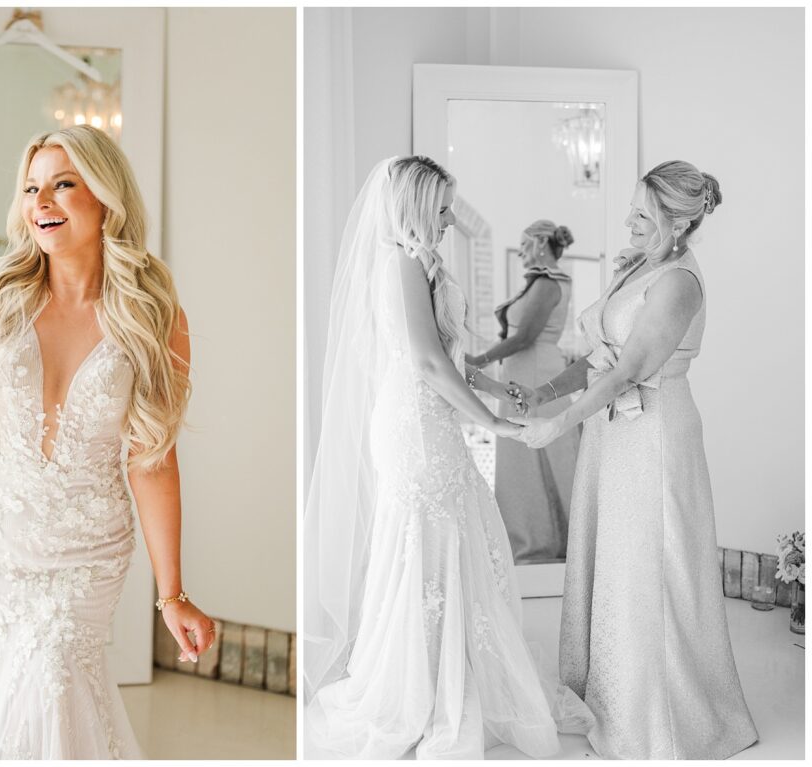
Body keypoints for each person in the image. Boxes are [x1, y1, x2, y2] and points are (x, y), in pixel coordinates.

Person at [0, 125, 215, 759]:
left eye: (62, 184)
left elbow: (153, 461)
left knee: (56, 683)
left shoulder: (155, 317)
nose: (40, 201)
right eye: (31, 188)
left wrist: (173, 593)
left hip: (84, 554)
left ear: (106, 197)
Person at [304, 156, 593, 759]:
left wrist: (496, 390)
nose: (447, 221)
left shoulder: (424, 264)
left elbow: (450, 354)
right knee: (425, 541)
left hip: (431, 414)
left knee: (451, 537)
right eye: (439, 210)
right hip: (413, 420)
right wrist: (485, 419)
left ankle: (454, 672)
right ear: (412, 207)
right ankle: (419, 688)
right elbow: (427, 363)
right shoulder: (401, 263)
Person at [509, 161, 758, 759]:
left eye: (643, 215)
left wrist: (560, 423)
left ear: (680, 222)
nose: (629, 222)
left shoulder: (678, 283)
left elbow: (627, 371)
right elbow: (600, 354)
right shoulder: (642, 267)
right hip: (613, 431)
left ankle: (658, 718)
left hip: (655, 435)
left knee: (650, 565)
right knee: (612, 560)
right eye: (632, 209)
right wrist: (542, 394)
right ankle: (606, 695)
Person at [468, 220, 578, 563]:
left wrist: (480, 360)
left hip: (535, 372)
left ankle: (544, 544)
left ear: (542, 244)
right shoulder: (539, 281)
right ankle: (534, 538)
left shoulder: (549, 283)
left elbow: (524, 337)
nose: (521, 251)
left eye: (525, 244)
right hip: (523, 368)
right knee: (524, 461)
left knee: (540, 457)